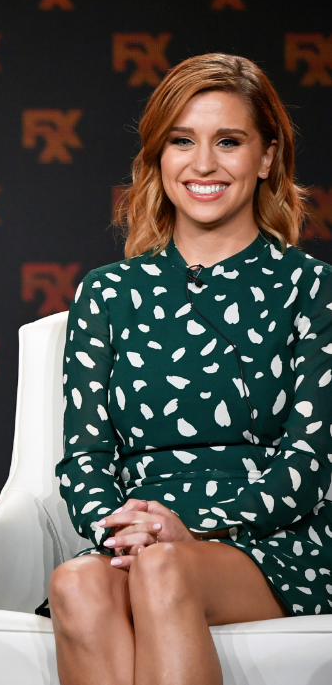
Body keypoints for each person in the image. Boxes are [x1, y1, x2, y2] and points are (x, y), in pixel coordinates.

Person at [50, 53, 331, 685]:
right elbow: (84, 456)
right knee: (74, 582)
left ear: (266, 158)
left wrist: (191, 529)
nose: (203, 164)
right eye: (182, 142)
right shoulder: (107, 292)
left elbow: (310, 462)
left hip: (270, 542)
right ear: (158, 158)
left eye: (228, 142)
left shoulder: (310, 288)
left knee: (165, 568)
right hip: (139, 539)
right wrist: (121, 528)